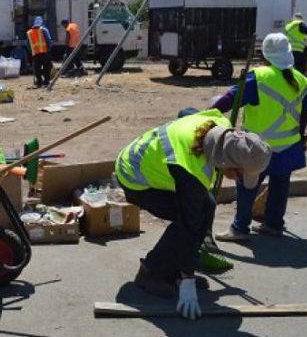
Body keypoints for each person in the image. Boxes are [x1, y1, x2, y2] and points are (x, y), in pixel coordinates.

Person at [115, 109, 271, 319]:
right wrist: (188, 281)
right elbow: (189, 225)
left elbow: (186, 113)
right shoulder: (191, 169)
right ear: (226, 161)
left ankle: (175, 271)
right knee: (188, 219)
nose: (237, 179)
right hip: (134, 175)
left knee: (207, 205)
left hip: (153, 164)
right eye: (239, 173)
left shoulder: (219, 125)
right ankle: (150, 273)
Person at [213, 33, 307, 241]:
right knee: (280, 185)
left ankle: (240, 228)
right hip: (288, 146)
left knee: (247, 187)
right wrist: (300, 137)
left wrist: (208, 113)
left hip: (257, 148)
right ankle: (274, 224)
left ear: (264, 54)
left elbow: (230, 99)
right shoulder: (301, 79)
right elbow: (304, 115)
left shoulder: (258, 77)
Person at [26, 16, 53, 87]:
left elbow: (28, 45)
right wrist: (49, 49)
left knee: (36, 68)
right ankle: (46, 81)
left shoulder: (29, 32)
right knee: (47, 67)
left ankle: (39, 82)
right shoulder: (44, 30)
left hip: (35, 53)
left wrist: (31, 51)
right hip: (45, 52)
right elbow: (49, 40)